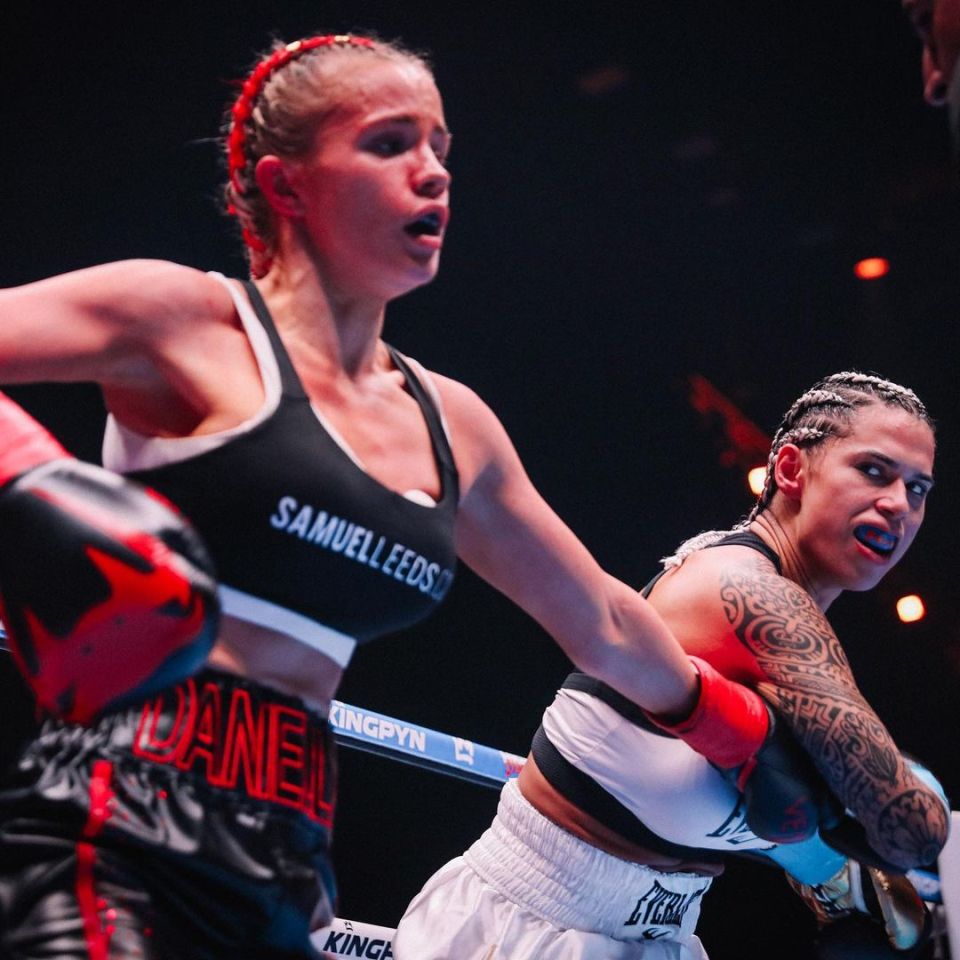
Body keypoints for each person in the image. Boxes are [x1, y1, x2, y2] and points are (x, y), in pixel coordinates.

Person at [0, 33, 806, 960]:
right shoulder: (183, 321)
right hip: (120, 804)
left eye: (441, 149)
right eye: (389, 144)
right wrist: (36, 488)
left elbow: (605, 623)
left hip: (290, 842)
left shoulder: (450, 424)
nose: (432, 174)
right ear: (285, 184)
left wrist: (732, 726)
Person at [394, 371, 951, 960]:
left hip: (663, 938)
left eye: (919, 489)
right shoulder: (750, 593)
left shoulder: (788, 622)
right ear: (790, 470)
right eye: (873, 470)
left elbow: (768, 788)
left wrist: (827, 871)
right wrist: (850, 816)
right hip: (523, 932)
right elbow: (914, 829)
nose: (898, 505)